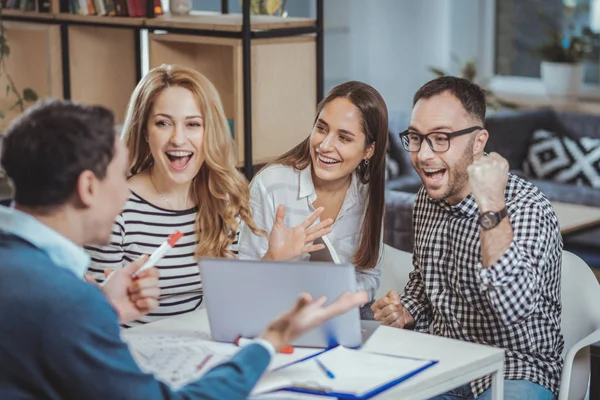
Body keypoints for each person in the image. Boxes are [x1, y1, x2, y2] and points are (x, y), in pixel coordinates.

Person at [0, 99, 369, 400]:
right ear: (88, 188)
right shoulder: (65, 301)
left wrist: (106, 305)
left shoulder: (29, 273)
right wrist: (271, 340)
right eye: (118, 176)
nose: (126, 192)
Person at [85, 64, 333, 327]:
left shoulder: (223, 200)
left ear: (209, 132)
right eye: (163, 123)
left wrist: (273, 258)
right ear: (145, 131)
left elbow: (233, 301)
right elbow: (91, 318)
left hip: (202, 349)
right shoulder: (112, 208)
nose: (178, 139)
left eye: (193, 124)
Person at [371, 76, 563, 400]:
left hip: (514, 369)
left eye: (441, 138)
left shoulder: (527, 209)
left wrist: (490, 204)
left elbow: (512, 309)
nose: (424, 155)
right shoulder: (427, 200)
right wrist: (408, 312)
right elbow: (423, 279)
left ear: (478, 142)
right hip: (445, 363)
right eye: (416, 138)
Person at [238, 81, 389, 301]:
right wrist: (273, 258)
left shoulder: (368, 194)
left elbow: (369, 277)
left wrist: (334, 297)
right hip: (275, 309)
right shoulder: (271, 184)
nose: (325, 145)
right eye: (321, 128)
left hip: (341, 311)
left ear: (368, 150)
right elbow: (242, 287)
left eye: (344, 138)